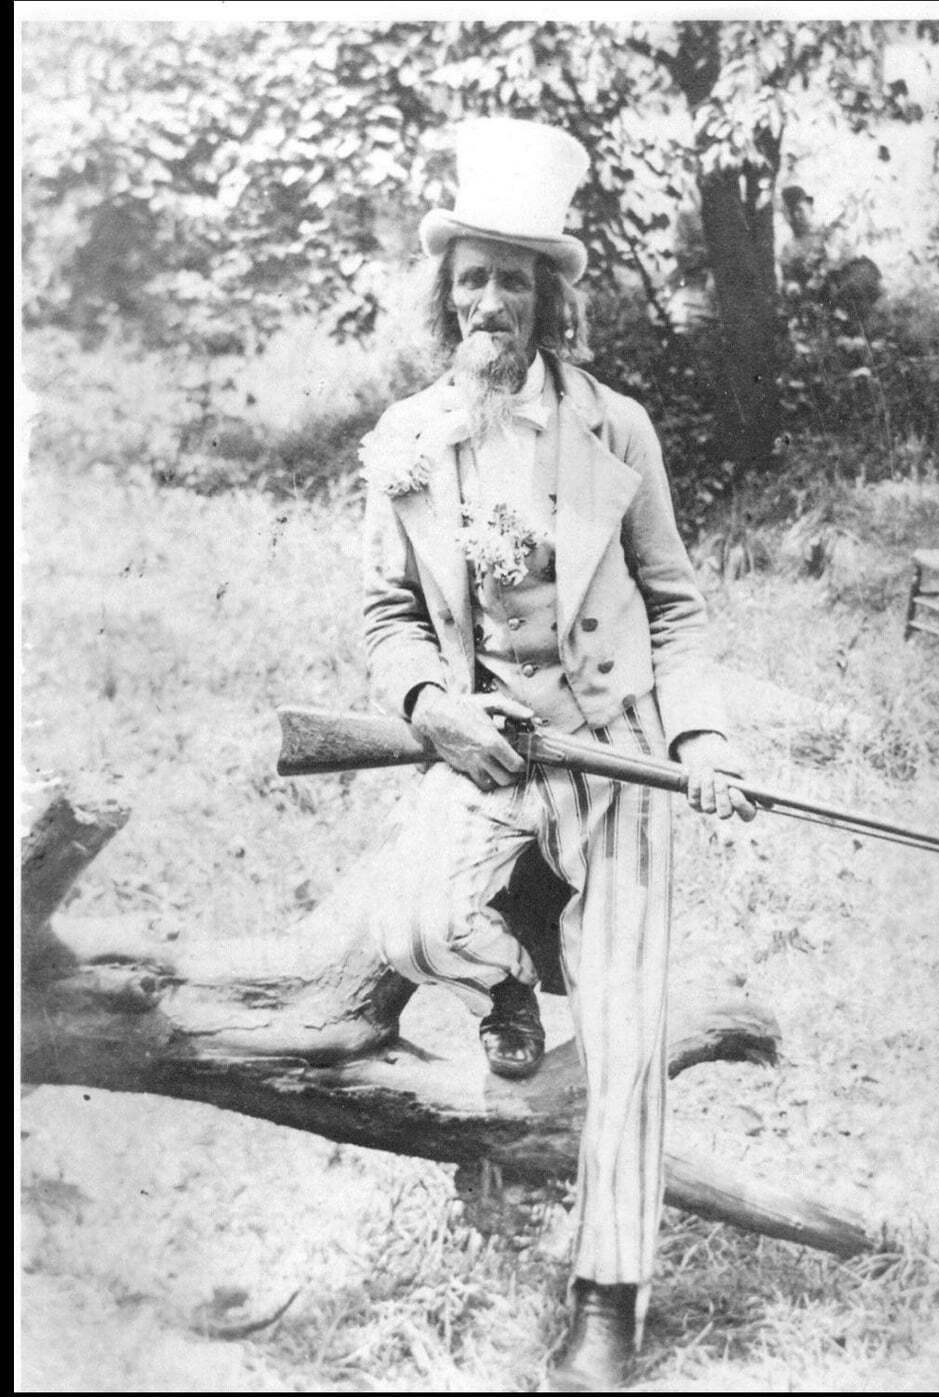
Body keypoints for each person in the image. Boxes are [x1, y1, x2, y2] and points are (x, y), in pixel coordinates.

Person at [359, 117, 755, 1392]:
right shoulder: (408, 440)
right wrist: (433, 704)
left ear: (550, 299)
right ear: (445, 293)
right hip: (484, 751)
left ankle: (606, 1296)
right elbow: (388, 617)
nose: (491, 303)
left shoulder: (618, 431)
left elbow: (677, 604)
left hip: (618, 751)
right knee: (416, 923)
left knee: (630, 1030)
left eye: (514, 280)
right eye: (471, 277)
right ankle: (513, 966)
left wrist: (698, 735)